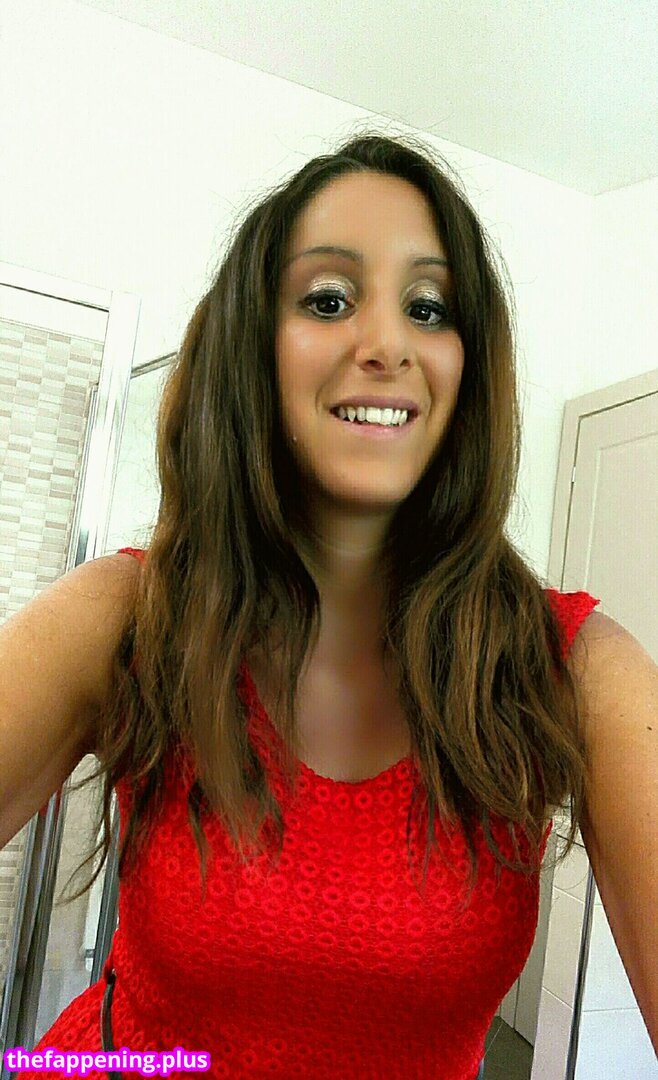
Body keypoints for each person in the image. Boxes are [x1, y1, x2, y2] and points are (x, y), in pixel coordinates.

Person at [2, 130, 656, 1079]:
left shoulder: (577, 668)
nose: (387, 344)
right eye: (328, 299)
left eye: (429, 308)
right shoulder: (128, 617)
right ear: (253, 350)